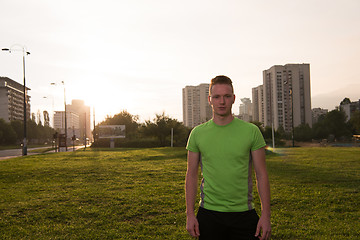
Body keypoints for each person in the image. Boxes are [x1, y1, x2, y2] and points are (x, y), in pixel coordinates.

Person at [185, 75, 271, 240]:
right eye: (217, 97)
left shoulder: (251, 131)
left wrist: (266, 216)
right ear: (210, 100)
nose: (222, 101)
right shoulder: (197, 133)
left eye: (226, 96)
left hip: (244, 214)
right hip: (209, 214)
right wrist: (190, 214)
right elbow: (191, 174)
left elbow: (261, 174)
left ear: (233, 98)